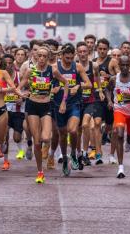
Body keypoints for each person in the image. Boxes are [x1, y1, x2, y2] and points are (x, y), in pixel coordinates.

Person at [18, 45, 69, 184]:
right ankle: (40, 172)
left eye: (44, 56)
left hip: (46, 105)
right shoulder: (30, 70)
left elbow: (66, 83)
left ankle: (45, 150)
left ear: (48, 58)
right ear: (35, 56)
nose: (41, 58)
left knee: (46, 137)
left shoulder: (52, 70)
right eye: (39, 55)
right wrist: (21, 94)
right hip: (32, 105)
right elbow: (19, 86)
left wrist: (64, 102)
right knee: (37, 141)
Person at [53, 44, 91, 176]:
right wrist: (52, 89)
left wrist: (78, 86)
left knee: (73, 130)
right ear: (62, 56)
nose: (69, 60)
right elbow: (47, 84)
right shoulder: (55, 68)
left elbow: (89, 84)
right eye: (66, 58)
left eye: (71, 58)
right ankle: (64, 158)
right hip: (58, 105)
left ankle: (74, 154)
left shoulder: (77, 67)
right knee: (62, 134)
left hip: (74, 104)